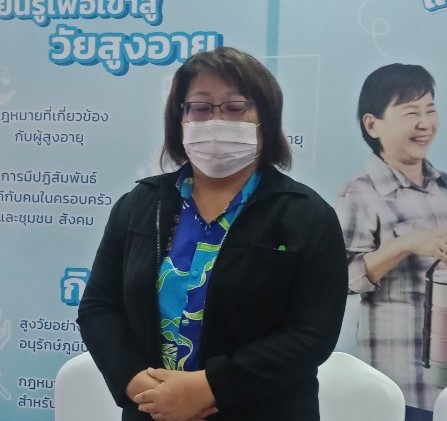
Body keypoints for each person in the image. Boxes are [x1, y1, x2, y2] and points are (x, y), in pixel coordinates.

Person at [77, 46, 348, 421]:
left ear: (265, 119)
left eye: (235, 108)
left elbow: (311, 335)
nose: (216, 121)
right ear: (181, 118)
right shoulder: (140, 205)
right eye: (201, 108)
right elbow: (98, 308)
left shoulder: (307, 215)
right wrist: (141, 386)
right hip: (152, 410)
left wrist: (207, 389)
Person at [335, 63, 447, 421]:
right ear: (373, 125)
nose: (425, 123)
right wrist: (404, 244)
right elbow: (338, 280)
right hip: (399, 384)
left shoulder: (444, 186)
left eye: (430, 110)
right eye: (411, 113)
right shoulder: (361, 193)